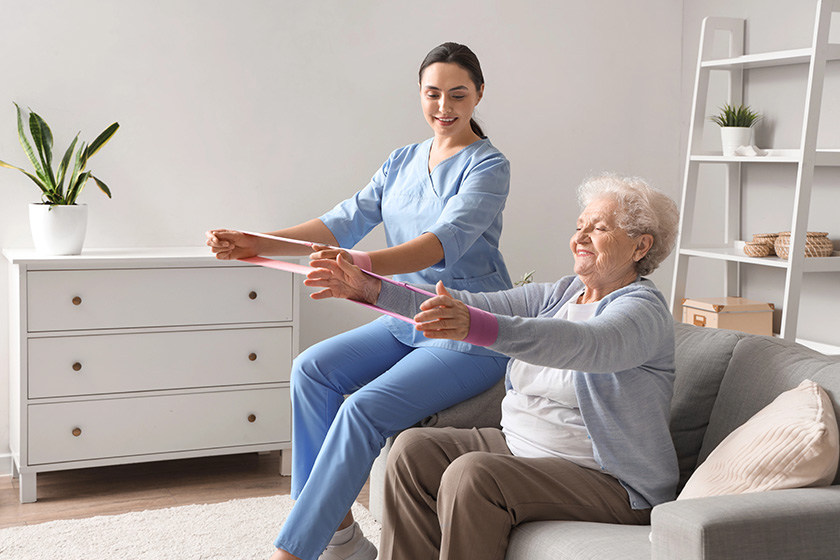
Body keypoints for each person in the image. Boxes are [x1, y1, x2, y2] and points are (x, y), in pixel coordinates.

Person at [206, 42, 512, 560]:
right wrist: (256, 242)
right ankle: (340, 537)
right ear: (419, 94)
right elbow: (339, 223)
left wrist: (360, 269)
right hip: (403, 318)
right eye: (432, 94)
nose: (444, 107)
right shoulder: (402, 161)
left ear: (479, 94)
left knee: (364, 409)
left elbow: (442, 242)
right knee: (311, 370)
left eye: (458, 95)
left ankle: (294, 551)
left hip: (463, 328)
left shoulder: (488, 167)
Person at [305, 172, 681, 560]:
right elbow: (470, 305)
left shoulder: (642, 311)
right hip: (522, 448)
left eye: (598, 228)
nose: (580, 237)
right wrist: (370, 289)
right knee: (412, 451)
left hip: (608, 479)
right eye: (579, 226)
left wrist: (479, 328)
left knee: (474, 476)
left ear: (641, 247)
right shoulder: (562, 294)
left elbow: (582, 345)